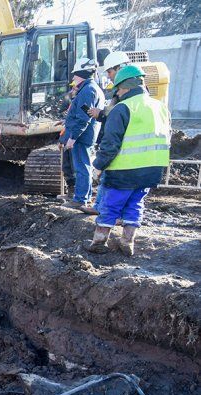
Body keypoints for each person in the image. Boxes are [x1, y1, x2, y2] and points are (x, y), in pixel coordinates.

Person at [86, 65, 170, 256]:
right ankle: (127, 242)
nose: (117, 93)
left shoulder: (123, 108)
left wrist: (98, 166)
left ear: (124, 88)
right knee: (135, 204)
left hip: (123, 170)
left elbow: (110, 144)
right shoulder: (160, 107)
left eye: (118, 90)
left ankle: (99, 242)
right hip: (151, 170)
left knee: (111, 205)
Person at [82, 51, 131, 215]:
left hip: (121, 144)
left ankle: (111, 212)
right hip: (116, 141)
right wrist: (101, 114)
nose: (109, 76)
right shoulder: (120, 92)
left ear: (120, 68)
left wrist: (101, 114)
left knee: (114, 180)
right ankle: (99, 207)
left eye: (110, 72)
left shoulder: (126, 93)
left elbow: (116, 115)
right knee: (107, 178)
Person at [60, 58, 105, 209]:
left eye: (75, 75)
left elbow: (83, 118)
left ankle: (80, 199)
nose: (73, 78)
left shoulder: (88, 90)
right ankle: (82, 197)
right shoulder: (90, 88)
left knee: (82, 168)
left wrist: (73, 137)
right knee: (82, 166)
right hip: (85, 135)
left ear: (82, 74)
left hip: (82, 137)